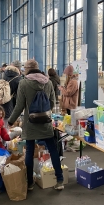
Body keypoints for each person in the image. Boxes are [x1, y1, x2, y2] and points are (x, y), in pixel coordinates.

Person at [8, 59, 64, 191]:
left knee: (29, 151)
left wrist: (10, 121)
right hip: (45, 122)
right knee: (53, 149)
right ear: (38, 68)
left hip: (30, 123)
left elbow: (19, 106)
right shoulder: (48, 82)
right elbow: (52, 103)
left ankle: (30, 184)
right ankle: (60, 180)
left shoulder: (23, 83)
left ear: (27, 69)